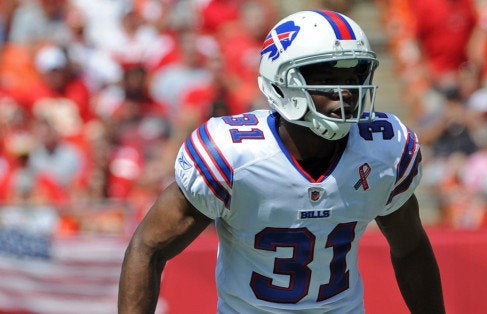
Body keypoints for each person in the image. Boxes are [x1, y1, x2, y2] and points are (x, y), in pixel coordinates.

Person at [118, 9, 445, 313]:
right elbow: (149, 247)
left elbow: (411, 247)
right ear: (282, 82)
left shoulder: (383, 151)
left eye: (354, 75)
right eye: (325, 77)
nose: (345, 91)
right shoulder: (234, 158)